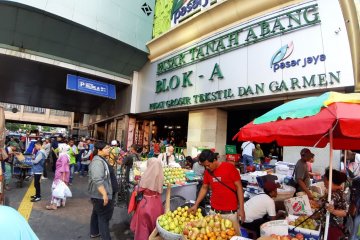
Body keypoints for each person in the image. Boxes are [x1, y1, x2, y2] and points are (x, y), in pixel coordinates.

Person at [189, 150, 245, 235]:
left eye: (208, 165)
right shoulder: (207, 172)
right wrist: (196, 204)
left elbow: (239, 187)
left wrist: (241, 209)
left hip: (230, 213)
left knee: (233, 236)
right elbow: (204, 188)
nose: (207, 168)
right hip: (214, 212)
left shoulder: (229, 168)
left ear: (215, 160)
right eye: (205, 166)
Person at [130, 157, 164, 240]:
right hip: (157, 204)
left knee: (143, 228)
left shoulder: (146, 175)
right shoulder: (160, 175)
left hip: (145, 205)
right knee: (154, 225)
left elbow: (140, 188)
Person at [88, 141, 116, 240]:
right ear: (100, 150)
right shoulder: (97, 162)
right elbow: (97, 179)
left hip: (99, 195)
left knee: (96, 213)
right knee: (104, 218)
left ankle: (94, 232)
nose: (109, 149)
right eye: (107, 148)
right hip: (100, 195)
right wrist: (104, 194)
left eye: (109, 148)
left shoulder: (102, 159)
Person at [322, 168, 349, 239]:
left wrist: (333, 211)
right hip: (329, 226)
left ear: (330, 181)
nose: (324, 182)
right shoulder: (332, 193)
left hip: (334, 227)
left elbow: (345, 212)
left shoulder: (339, 194)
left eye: (325, 179)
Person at [46, 144, 70, 210]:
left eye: (59, 148)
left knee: (55, 189)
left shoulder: (63, 156)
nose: (58, 149)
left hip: (60, 176)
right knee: (59, 189)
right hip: (61, 175)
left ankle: (54, 205)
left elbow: (64, 168)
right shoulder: (64, 155)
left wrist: (63, 178)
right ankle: (59, 203)